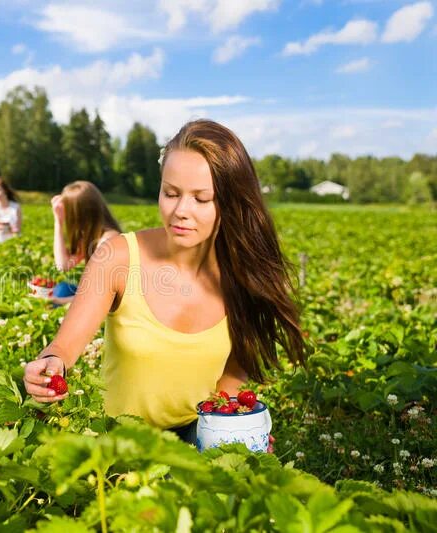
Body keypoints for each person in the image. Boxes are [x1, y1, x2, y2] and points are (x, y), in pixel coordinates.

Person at [23, 119, 306, 446]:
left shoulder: (243, 276)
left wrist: (233, 431)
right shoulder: (117, 258)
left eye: (201, 199)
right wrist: (49, 367)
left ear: (231, 202)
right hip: (116, 440)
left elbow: (231, 377)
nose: (180, 211)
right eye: (171, 193)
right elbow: (63, 348)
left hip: (193, 435)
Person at [50, 181, 122, 305]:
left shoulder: (108, 241)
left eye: (67, 212)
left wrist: (57, 301)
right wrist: (58, 222)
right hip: (99, 298)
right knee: (62, 288)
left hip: (115, 305)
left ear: (78, 215)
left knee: (59, 295)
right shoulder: (91, 235)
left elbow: (101, 298)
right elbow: (63, 265)